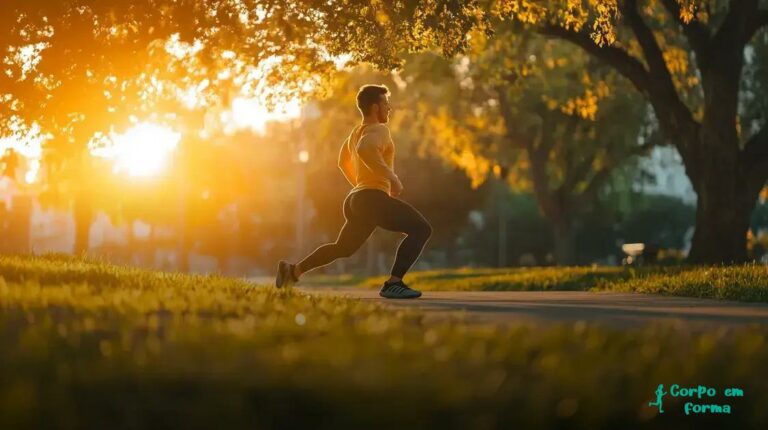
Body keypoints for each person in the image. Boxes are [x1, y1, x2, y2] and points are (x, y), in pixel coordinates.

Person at [275, 84, 432, 299]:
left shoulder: (356, 132)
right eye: (386, 104)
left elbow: (342, 161)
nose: (389, 108)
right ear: (376, 107)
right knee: (421, 229)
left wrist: (360, 185)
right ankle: (394, 283)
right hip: (370, 197)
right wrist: (391, 179)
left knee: (343, 248)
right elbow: (365, 150)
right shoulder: (379, 130)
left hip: (356, 199)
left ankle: (292, 271)